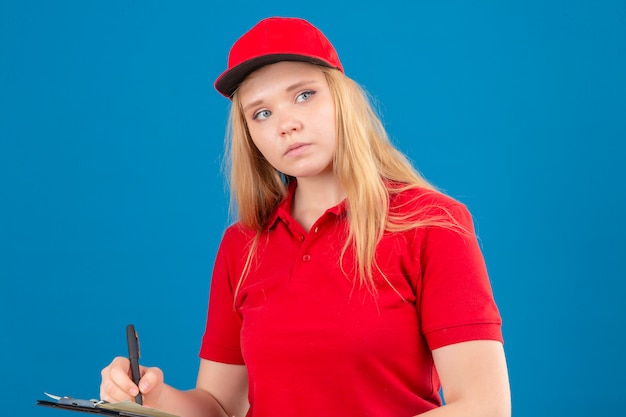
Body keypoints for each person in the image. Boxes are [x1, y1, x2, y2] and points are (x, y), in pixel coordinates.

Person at [100, 16, 511, 417]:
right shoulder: (242, 244)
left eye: (304, 95)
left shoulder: (431, 223)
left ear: (342, 99)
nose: (287, 124)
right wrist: (151, 399)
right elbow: (221, 407)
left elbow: (484, 406)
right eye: (262, 113)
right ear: (251, 136)